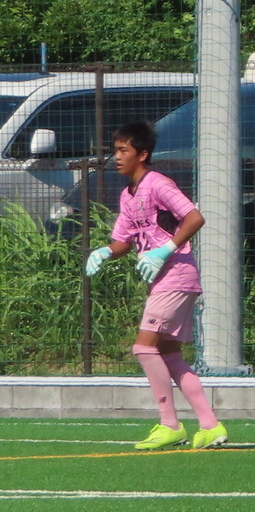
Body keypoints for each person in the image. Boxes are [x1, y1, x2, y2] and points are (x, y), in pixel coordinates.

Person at [86, 121, 228, 451]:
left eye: (124, 151)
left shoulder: (159, 184)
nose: (116, 157)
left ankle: (169, 425)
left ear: (143, 154)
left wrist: (165, 249)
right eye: (115, 150)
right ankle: (210, 426)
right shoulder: (128, 194)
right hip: (164, 281)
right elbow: (122, 240)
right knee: (170, 355)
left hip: (176, 277)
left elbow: (194, 217)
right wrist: (105, 251)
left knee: (143, 346)